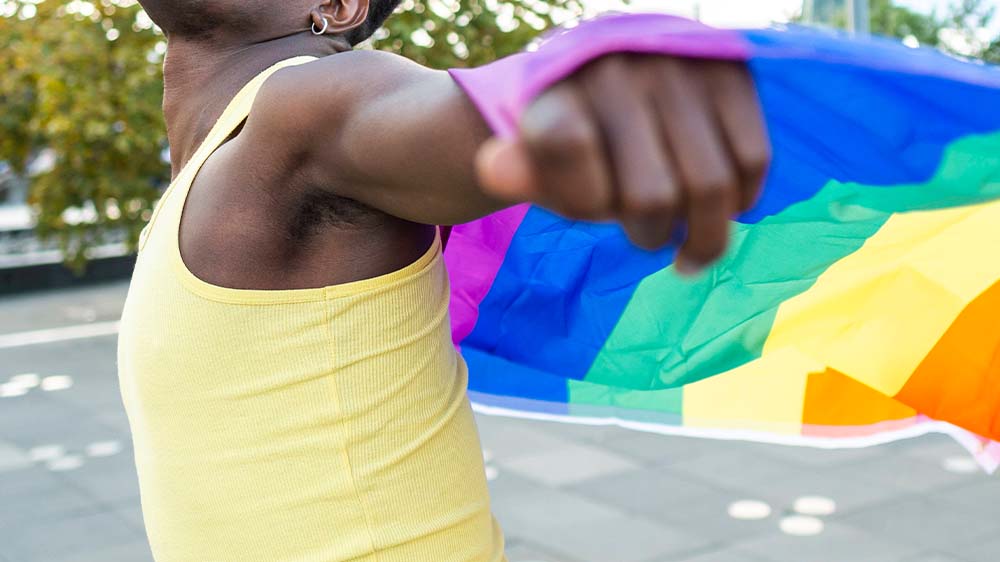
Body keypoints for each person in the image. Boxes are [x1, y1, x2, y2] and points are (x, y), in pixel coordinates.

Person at [116, 0, 770, 560]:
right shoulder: (210, 165)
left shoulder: (311, 103)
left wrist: (589, 97)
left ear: (337, 6)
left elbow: (454, 114)